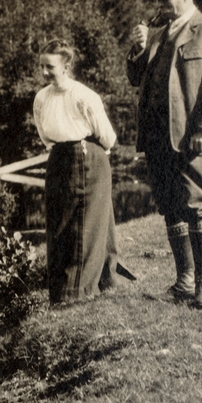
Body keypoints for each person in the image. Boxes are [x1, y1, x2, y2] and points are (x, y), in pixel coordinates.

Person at [126, 0, 202, 310]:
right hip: (159, 139)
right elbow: (135, 79)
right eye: (156, 1)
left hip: (194, 138)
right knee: (171, 208)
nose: (158, 6)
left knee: (198, 206)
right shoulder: (157, 35)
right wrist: (137, 50)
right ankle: (184, 281)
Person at [33, 39, 132, 303]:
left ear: (66, 66)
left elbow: (107, 137)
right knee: (59, 222)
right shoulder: (42, 98)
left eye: (50, 67)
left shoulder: (83, 96)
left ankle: (79, 292)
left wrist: (83, 150)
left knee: (87, 221)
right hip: (59, 156)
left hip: (87, 155)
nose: (44, 72)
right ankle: (77, 286)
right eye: (41, 66)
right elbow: (44, 133)